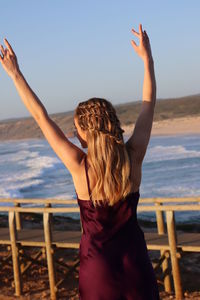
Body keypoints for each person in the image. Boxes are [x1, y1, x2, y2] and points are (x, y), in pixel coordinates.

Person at [0, 23, 159, 299]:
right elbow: (148, 103)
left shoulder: (79, 165)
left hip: (97, 269)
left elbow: (41, 116)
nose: (74, 134)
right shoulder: (134, 157)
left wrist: (15, 75)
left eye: (76, 129)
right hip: (135, 263)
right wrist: (148, 60)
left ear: (86, 133)